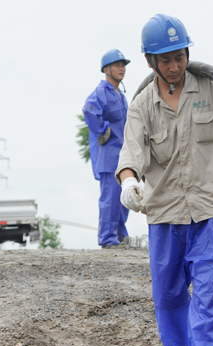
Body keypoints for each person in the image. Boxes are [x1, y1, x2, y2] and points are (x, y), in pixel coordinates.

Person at [116, 14, 213, 346]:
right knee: (169, 294)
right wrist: (129, 183)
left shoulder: (210, 86)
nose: (175, 66)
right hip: (165, 213)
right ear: (150, 61)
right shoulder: (142, 105)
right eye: (166, 60)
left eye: (180, 56)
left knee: (211, 296)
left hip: (211, 211)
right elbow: (130, 153)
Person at [82, 49, 131, 249]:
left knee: (123, 198)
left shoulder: (120, 94)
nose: (122, 69)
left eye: (123, 65)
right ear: (106, 69)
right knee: (110, 199)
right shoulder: (102, 91)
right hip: (109, 155)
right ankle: (107, 238)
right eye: (117, 65)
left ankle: (119, 236)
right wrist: (103, 129)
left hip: (122, 155)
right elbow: (89, 109)